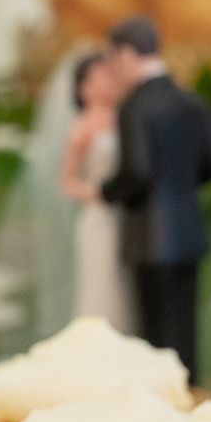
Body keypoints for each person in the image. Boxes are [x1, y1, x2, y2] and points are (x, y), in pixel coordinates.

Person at [99, 16, 211, 382]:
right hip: (188, 231)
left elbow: (136, 172)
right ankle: (192, 395)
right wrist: (181, 187)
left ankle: (166, 409)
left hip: (149, 235)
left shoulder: (135, 108)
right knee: (186, 331)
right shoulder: (193, 104)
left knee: (156, 336)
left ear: (126, 54)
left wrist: (107, 192)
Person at [59, 53, 136, 332]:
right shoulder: (82, 126)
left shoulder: (126, 118)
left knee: (125, 289)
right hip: (100, 217)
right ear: (84, 87)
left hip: (127, 214)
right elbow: (67, 182)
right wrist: (98, 193)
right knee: (102, 286)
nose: (109, 81)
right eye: (101, 76)